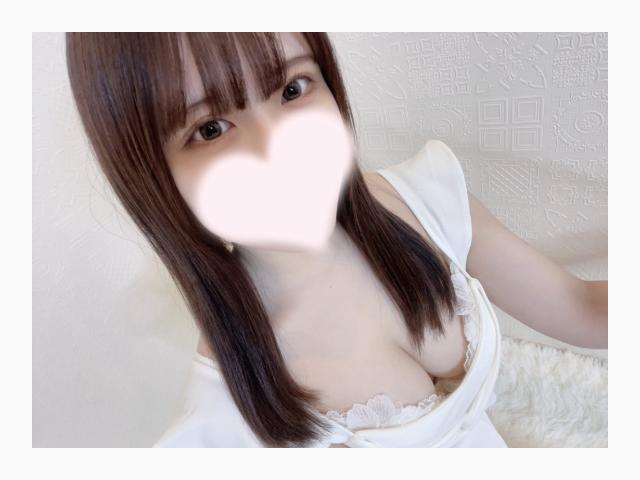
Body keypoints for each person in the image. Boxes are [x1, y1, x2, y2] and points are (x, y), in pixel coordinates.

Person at [65, 32, 607, 448]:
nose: (278, 147)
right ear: (152, 177)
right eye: (209, 129)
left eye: (292, 88)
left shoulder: (425, 196)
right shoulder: (225, 414)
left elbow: (583, 309)